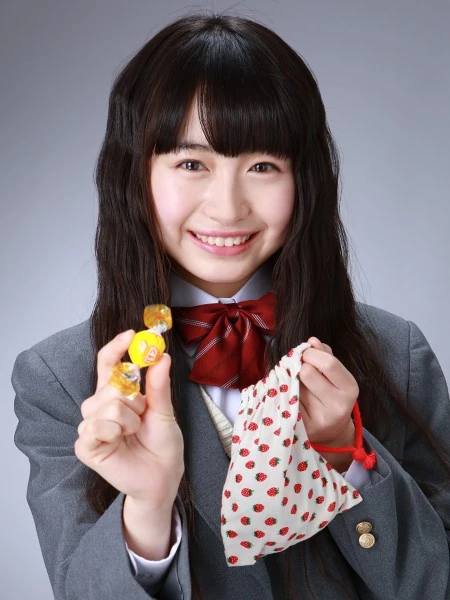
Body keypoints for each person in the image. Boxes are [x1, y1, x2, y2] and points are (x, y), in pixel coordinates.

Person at [12, 12, 450, 600]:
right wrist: (147, 508)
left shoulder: (397, 353)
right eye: (191, 164)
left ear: (305, 180)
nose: (227, 207)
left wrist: (346, 455)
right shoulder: (61, 380)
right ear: (134, 175)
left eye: (263, 166)